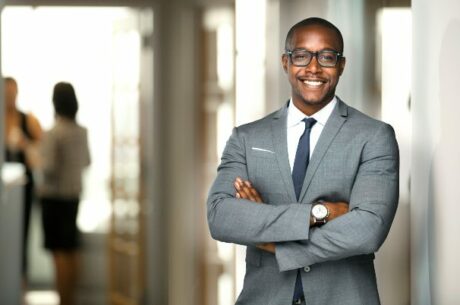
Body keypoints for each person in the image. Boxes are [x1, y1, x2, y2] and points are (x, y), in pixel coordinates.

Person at [207, 17, 399, 305]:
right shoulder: (246, 138)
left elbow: (367, 230)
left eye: (326, 57)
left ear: (341, 65)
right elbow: (221, 217)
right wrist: (318, 213)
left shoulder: (374, 136)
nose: (313, 67)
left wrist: (271, 241)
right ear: (285, 63)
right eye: (301, 56)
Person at [38, 82, 90, 305]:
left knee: (59, 253)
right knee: (71, 249)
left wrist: (31, 153)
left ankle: (63, 300)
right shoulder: (81, 132)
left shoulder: (53, 133)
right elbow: (87, 161)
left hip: (54, 198)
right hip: (73, 196)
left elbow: (47, 168)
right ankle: (72, 299)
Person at [3, 77, 42, 281]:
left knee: (21, 235)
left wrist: (24, 145)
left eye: (13, 93)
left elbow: (41, 158)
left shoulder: (29, 120)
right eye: (6, 93)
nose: (10, 97)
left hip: (23, 189)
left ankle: (20, 283)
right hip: (4, 189)